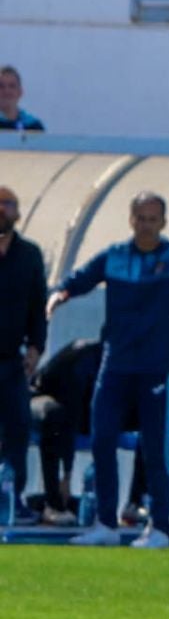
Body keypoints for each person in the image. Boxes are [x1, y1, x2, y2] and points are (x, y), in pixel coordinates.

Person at [49, 191, 169, 548]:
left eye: (153, 219)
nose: (146, 225)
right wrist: (59, 294)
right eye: (141, 218)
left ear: (163, 222)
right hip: (114, 367)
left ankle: (160, 528)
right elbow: (78, 279)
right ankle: (105, 524)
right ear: (131, 220)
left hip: (155, 370)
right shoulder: (114, 258)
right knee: (102, 441)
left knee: (154, 449)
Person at [0, 183, 47, 522]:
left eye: (9, 205)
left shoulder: (29, 254)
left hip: (11, 360)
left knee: (18, 428)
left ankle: (12, 498)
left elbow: (37, 305)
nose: (3, 210)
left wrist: (36, 347)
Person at [29, 336, 100, 523]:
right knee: (54, 416)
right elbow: (72, 412)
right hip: (38, 396)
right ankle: (53, 502)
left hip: (78, 407)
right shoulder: (83, 358)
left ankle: (135, 502)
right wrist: (67, 475)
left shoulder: (126, 366)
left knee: (151, 418)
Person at [0, 65, 46, 132]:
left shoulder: (34, 126)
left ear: (20, 92)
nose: (7, 91)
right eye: (1, 86)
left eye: (12, 86)